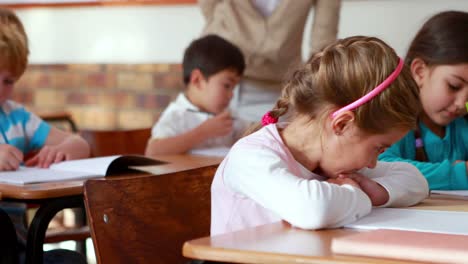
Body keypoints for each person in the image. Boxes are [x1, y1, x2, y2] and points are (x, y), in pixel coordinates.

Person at [210, 36, 429, 235]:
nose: (372, 164)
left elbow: (416, 180)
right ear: (342, 124)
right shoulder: (250, 157)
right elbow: (313, 210)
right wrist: (357, 195)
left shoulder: (333, 160)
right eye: (378, 149)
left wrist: (377, 192)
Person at [0, 8, 90, 263]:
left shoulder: (16, 118)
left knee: (70, 260)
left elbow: (80, 144)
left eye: (8, 80)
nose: (0, 88)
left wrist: (64, 150)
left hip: (17, 249)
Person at [199, 0, 341, 121]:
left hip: (278, 83)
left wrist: (309, 87)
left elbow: (323, 40)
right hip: (217, 71)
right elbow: (210, 9)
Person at [379, 11, 468, 190]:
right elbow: (380, 168)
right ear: (420, 71)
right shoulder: (391, 117)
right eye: (454, 86)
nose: (462, 103)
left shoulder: (462, 126)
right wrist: (461, 173)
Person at [145, 34, 249, 156]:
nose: (232, 95)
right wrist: (203, 132)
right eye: (227, 86)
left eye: (234, 88)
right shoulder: (177, 115)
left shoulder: (226, 115)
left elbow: (247, 134)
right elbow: (153, 151)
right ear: (197, 80)